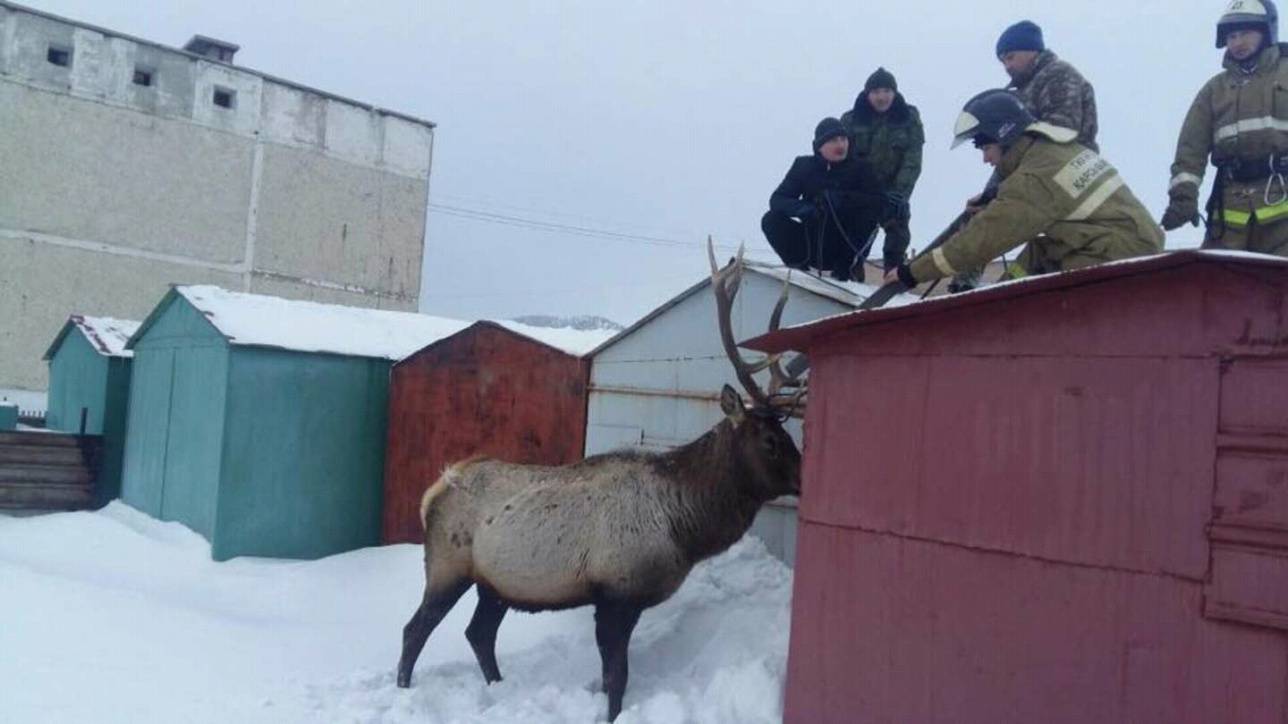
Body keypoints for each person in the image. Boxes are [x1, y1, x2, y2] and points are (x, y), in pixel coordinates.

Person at [885, 90, 1162, 287]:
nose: (985, 159)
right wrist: (995, 196)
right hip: (1120, 242)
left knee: (1046, 300)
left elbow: (984, 238)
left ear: (1004, 135)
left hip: (1118, 256)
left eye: (986, 148)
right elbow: (1051, 196)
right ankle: (1000, 301)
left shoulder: (1034, 179)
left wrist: (912, 273)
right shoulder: (1054, 151)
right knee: (1037, 253)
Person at [952, 20, 1101, 291]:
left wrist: (1011, 183)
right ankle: (966, 285)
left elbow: (1061, 130)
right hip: (1025, 165)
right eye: (1002, 61)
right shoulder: (1022, 87)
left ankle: (998, 286)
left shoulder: (1059, 75)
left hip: (1061, 170)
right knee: (980, 214)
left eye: (1010, 57)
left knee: (1000, 220)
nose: (1007, 65)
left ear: (1032, 50)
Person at [1163, 0, 1288, 257]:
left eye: (1245, 33)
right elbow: (1190, 150)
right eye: (1232, 35)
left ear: (1267, 32)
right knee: (1223, 284)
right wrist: (1183, 199)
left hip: (1282, 206)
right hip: (1229, 211)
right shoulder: (1214, 91)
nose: (1238, 42)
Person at [762, 117, 893, 281]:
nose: (840, 145)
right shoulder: (803, 166)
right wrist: (805, 209)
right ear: (819, 146)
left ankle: (845, 272)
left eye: (843, 139)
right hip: (811, 241)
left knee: (868, 218)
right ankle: (798, 269)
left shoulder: (862, 169)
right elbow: (778, 199)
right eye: (833, 140)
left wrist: (842, 200)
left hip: (845, 246)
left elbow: (880, 203)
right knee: (771, 219)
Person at [840, 67, 924, 274]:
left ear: (894, 93)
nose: (882, 97)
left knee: (899, 232)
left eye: (887, 91)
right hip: (862, 191)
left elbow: (912, 159)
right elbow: (844, 159)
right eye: (876, 92)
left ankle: (893, 277)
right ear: (867, 94)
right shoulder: (850, 120)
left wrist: (900, 194)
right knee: (856, 239)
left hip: (893, 189)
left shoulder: (909, 118)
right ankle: (851, 276)